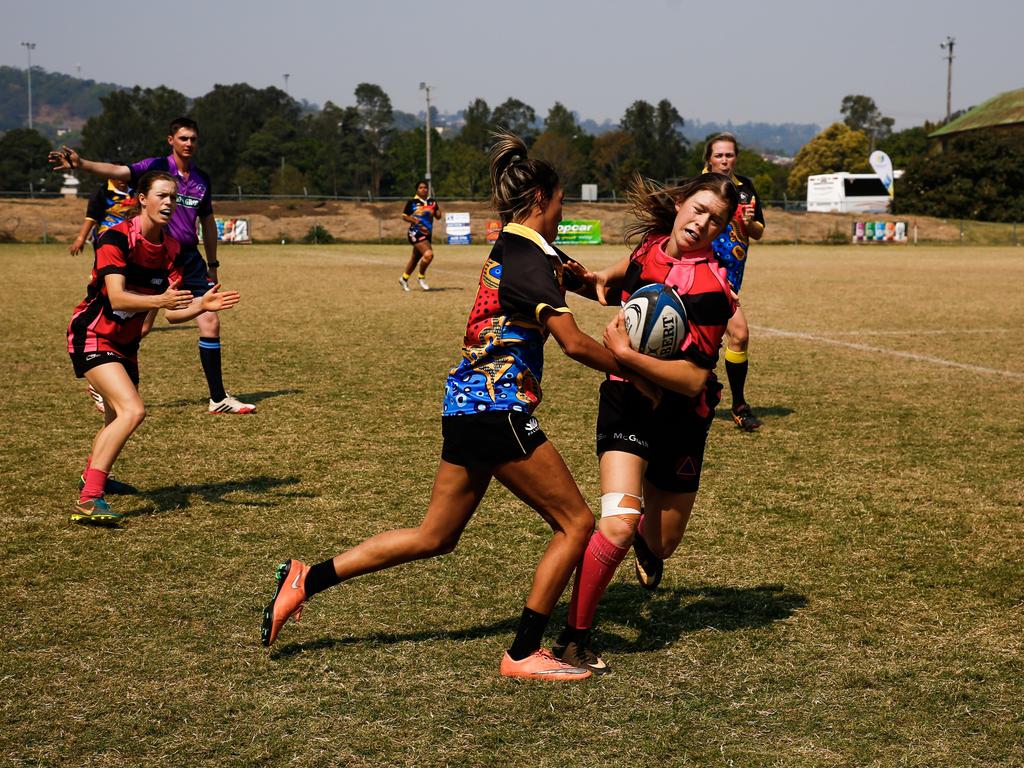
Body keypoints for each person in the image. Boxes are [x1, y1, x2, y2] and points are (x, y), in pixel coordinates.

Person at [261, 132, 655, 681]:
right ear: (540, 199)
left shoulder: (526, 251)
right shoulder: (528, 263)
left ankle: (307, 578)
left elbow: (590, 285)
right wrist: (633, 369)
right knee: (577, 524)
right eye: (561, 204)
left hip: (466, 405)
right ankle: (521, 653)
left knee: (435, 537)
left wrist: (654, 275)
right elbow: (573, 343)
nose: (563, 215)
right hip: (497, 408)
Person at [550, 173, 740, 674]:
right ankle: (575, 638)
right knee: (616, 523)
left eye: (715, 219)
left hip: (681, 420)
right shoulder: (648, 251)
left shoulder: (713, 292)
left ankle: (647, 549)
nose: (702, 223)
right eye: (698, 209)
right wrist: (577, 281)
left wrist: (623, 354)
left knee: (661, 543)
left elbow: (693, 379)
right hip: (626, 402)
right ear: (680, 203)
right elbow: (613, 293)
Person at [50, 117, 256, 415]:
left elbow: (207, 222)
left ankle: (217, 397)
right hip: (153, 252)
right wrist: (82, 164)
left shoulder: (201, 179)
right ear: (170, 139)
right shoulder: (156, 168)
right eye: (183, 138)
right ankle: (101, 369)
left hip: (188, 257)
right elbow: (119, 171)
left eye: (193, 139)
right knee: (141, 324)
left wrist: (212, 263)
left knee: (210, 319)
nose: (189, 144)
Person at [68, 171, 241, 524]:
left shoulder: (173, 249)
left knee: (115, 417)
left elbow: (173, 315)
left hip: (126, 344)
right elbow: (116, 295)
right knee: (133, 411)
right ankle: (89, 499)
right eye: (161, 195)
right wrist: (160, 299)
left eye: (173, 198)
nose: (169, 203)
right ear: (141, 199)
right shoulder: (115, 237)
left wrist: (200, 307)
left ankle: (93, 475)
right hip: (93, 334)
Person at [703, 132, 766, 431]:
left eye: (729, 155)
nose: (725, 160)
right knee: (738, 334)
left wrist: (748, 221)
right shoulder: (698, 188)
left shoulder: (746, 189)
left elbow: (757, 232)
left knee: (709, 342)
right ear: (708, 158)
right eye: (719, 155)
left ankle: (698, 398)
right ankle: (739, 405)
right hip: (703, 272)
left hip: (732, 279)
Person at [69, 178, 138, 414]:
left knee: (140, 324)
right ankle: (101, 374)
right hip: (109, 248)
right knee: (109, 296)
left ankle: (106, 372)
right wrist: (81, 237)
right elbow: (92, 217)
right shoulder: (102, 193)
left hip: (134, 250)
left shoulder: (134, 192)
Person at [399, 180, 442, 291]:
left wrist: (437, 208)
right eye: (421, 187)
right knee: (428, 255)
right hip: (415, 232)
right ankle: (421, 277)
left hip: (427, 234)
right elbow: (404, 216)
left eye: (425, 187)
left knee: (415, 258)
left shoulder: (432, 202)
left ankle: (404, 279)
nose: (424, 189)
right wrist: (414, 220)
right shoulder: (412, 202)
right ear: (417, 190)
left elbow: (438, 216)